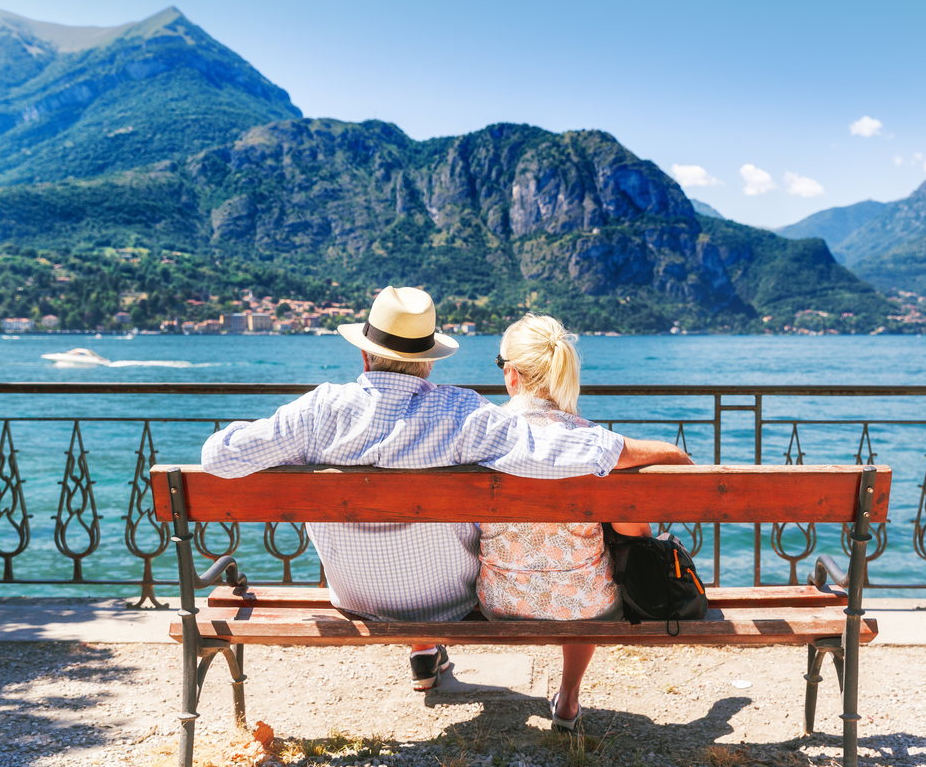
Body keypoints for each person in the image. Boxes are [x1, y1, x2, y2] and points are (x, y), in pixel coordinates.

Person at [200, 286, 691, 692]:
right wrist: (657, 452)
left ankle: (423, 653)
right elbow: (554, 452)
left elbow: (217, 457)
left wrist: (286, 434)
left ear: (364, 352)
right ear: (429, 361)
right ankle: (432, 643)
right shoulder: (459, 413)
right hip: (447, 604)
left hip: (350, 595)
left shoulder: (317, 410)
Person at [476, 313, 688, 731]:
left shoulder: (478, 433)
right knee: (589, 570)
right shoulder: (595, 442)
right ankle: (568, 699)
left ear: (513, 375)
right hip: (587, 608)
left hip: (498, 604)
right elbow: (644, 519)